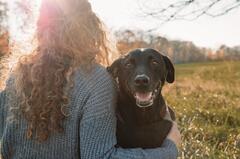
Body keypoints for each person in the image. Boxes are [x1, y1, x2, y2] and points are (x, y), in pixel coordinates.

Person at [0, 0, 181, 158]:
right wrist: (169, 150)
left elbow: (6, 148)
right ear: (90, 27)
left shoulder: (16, 77)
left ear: (40, 30)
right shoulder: (97, 82)